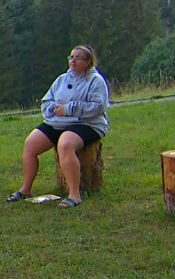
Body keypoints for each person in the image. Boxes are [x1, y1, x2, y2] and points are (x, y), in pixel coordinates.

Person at [6, 45, 109, 209]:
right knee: (30, 144)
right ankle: (26, 189)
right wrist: (54, 109)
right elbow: (46, 101)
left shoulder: (96, 81)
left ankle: (74, 195)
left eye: (78, 58)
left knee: (65, 144)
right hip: (58, 122)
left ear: (88, 62)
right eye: (71, 57)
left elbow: (97, 106)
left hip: (87, 124)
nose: (73, 61)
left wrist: (68, 109)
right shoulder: (62, 79)